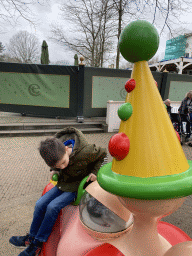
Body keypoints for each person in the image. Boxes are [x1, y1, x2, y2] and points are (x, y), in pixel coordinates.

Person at [9, 127, 107, 256]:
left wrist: (95, 173)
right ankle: (31, 237)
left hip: (76, 187)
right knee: (40, 204)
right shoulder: (57, 152)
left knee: (52, 207)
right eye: (58, 166)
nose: (62, 167)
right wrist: (54, 170)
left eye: (63, 163)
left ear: (67, 149)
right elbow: (56, 163)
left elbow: (103, 154)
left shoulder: (86, 151)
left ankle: (38, 243)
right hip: (63, 184)